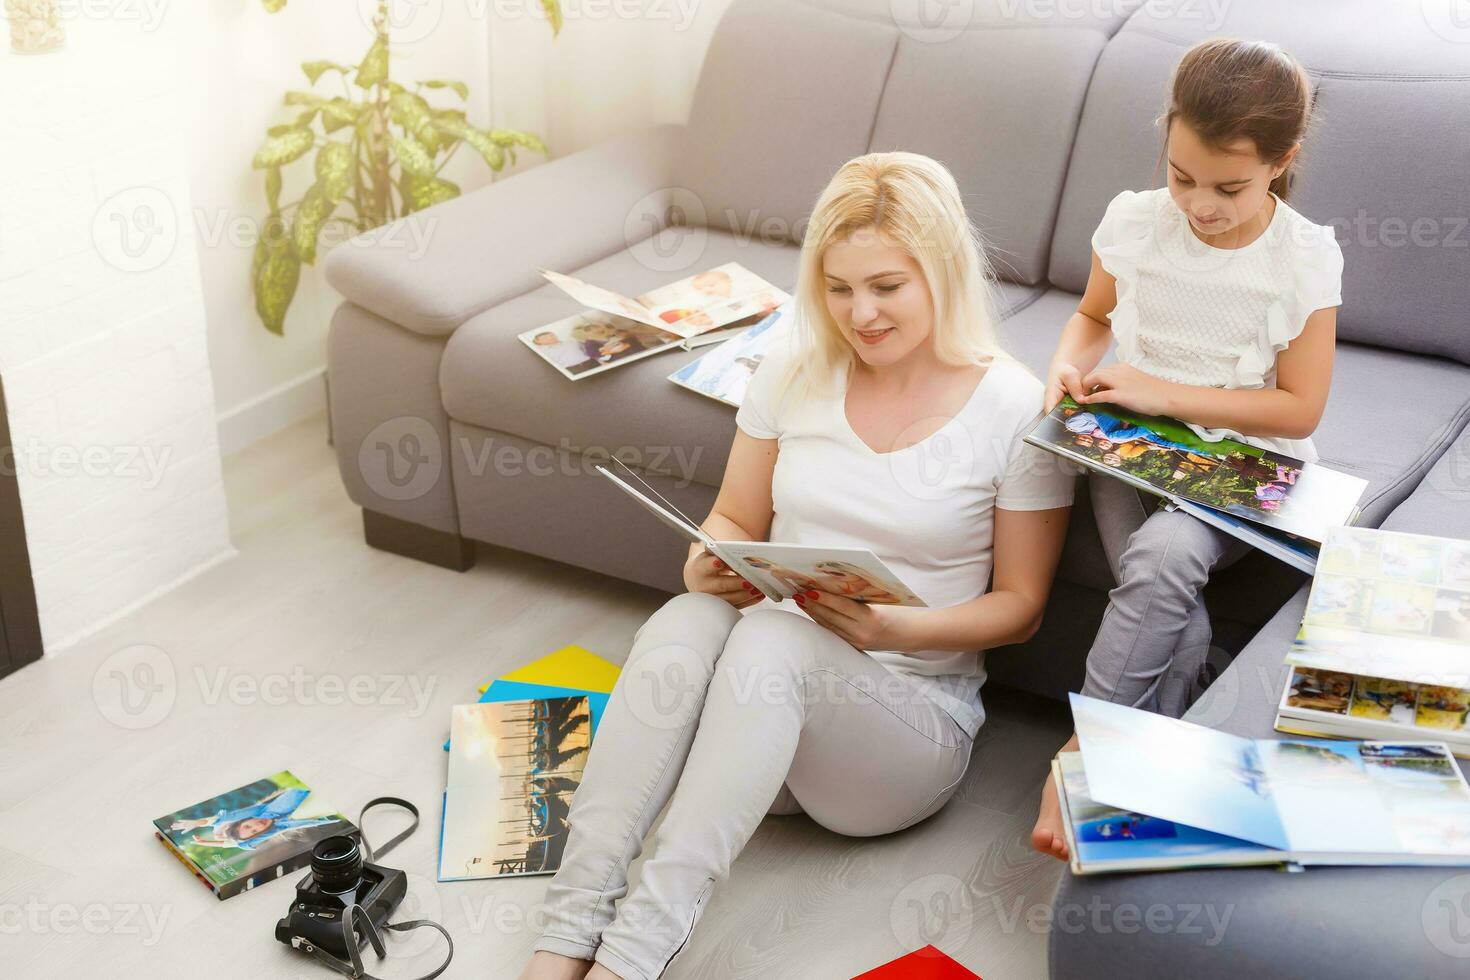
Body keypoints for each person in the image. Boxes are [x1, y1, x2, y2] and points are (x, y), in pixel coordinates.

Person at [518, 151, 1074, 980]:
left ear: (944, 272)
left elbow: (1021, 606)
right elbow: (736, 517)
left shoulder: (1015, 407)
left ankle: (629, 961)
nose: (861, 313)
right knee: (689, 616)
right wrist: (707, 561)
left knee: (773, 644)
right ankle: (564, 938)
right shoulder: (791, 370)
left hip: (901, 738)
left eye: (887, 286)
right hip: (754, 735)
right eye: (840, 288)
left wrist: (899, 626)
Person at [1032, 38, 1344, 861]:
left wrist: (1158, 392)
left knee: (1167, 553)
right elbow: (1093, 317)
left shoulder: (1301, 259)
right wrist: (1068, 366)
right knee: (1183, 626)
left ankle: (1084, 755)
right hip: (1128, 451)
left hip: (1240, 466)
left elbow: (1299, 404)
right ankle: (1173, 773)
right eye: (1182, 176)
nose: (1200, 205)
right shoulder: (1136, 222)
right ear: (1167, 139)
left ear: (1284, 161)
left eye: (1230, 187)